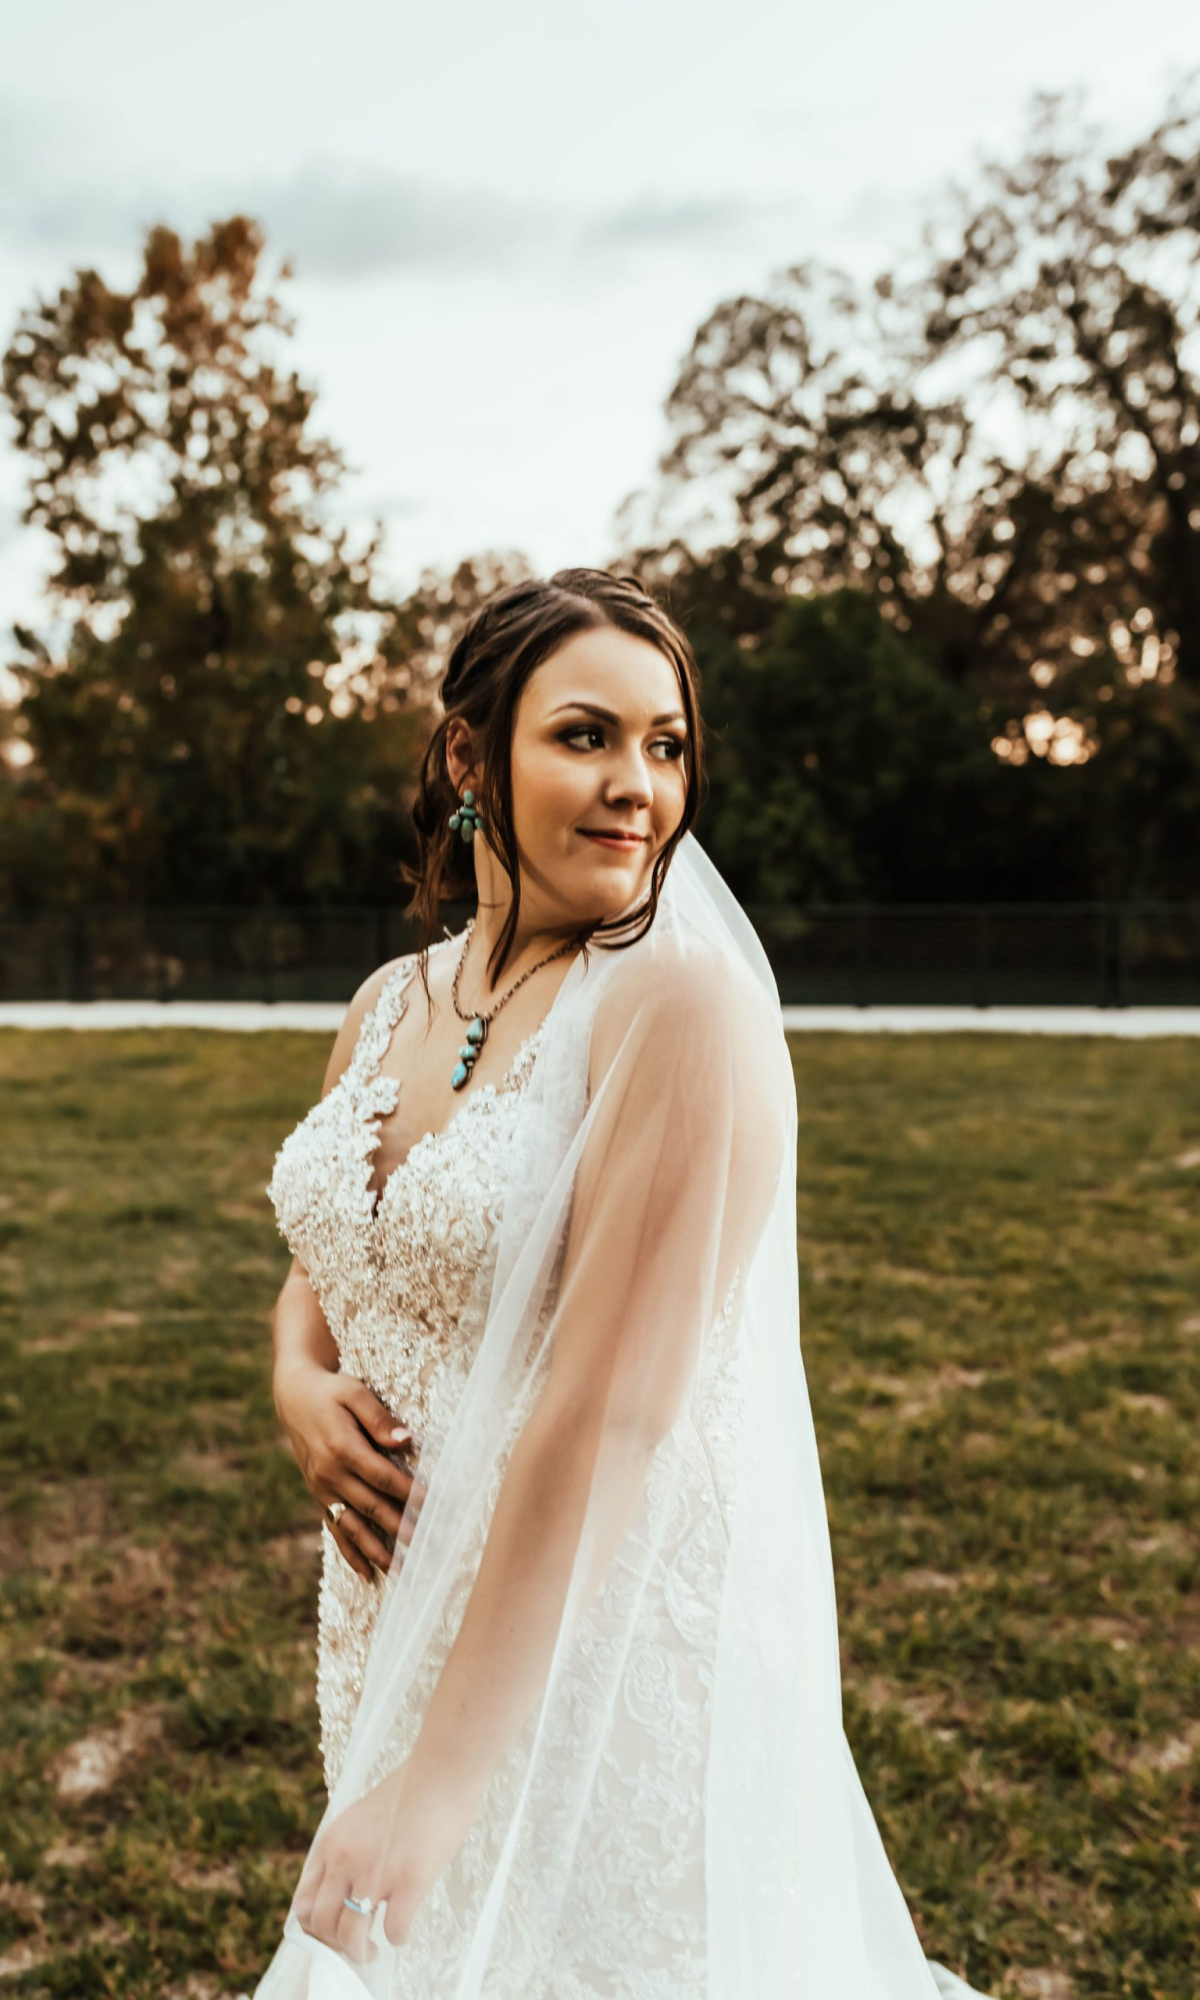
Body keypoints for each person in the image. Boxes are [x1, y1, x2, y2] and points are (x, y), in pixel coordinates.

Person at [250, 569, 995, 1998]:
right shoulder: (390, 1001)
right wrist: (296, 1383)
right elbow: (326, 1254)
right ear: (471, 758)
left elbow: (610, 1415)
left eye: (665, 745)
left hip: (596, 1638)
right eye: (586, 736)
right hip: (390, 1610)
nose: (637, 787)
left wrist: (440, 1783)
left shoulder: (677, 1003)